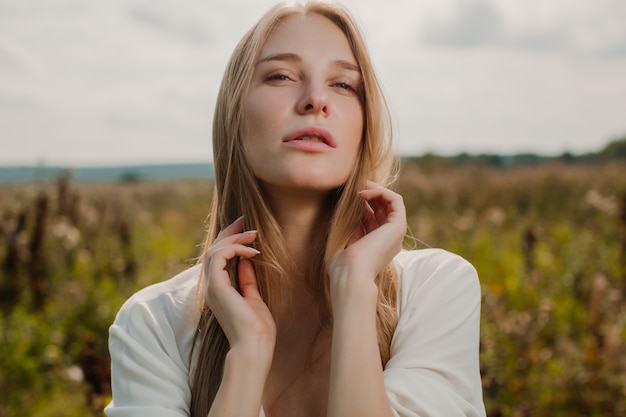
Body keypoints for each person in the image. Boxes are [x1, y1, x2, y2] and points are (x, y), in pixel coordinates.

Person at [105, 2, 486, 416]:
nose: (316, 100)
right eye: (281, 76)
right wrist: (247, 356)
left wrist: (355, 287)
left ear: (365, 123)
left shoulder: (435, 290)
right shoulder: (153, 324)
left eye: (343, 85)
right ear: (234, 114)